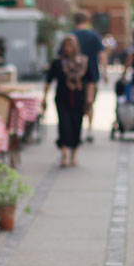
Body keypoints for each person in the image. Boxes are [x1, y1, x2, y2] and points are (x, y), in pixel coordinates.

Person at [42, 34, 96, 167]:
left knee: (76, 125)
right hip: (62, 98)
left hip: (79, 99)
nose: (68, 48)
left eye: (71, 45)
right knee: (64, 125)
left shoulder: (84, 61)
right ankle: (65, 154)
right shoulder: (58, 62)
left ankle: (74, 154)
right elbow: (48, 81)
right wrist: (44, 98)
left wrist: (90, 98)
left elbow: (90, 81)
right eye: (66, 45)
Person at [72, 11, 106, 142]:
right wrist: (105, 72)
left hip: (74, 75)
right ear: (87, 20)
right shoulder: (93, 35)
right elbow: (102, 55)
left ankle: (78, 130)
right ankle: (90, 130)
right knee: (90, 102)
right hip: (91, 73)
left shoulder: (71, 36)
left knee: (76, 103)